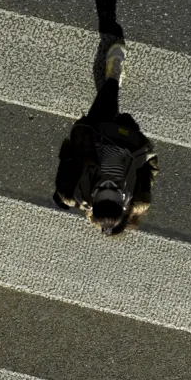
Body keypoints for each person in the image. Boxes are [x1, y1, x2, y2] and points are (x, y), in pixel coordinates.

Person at [54, 41, 158, 236]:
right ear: (123, 205)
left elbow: (66, 159)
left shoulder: (72, 193)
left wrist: (80, 151)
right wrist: (143, 150)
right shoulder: (138, 200)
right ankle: (112, 81)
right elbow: (149, 170)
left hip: (95, 133)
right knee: (112, 109)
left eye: (102, 194)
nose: (108, 186)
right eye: (114, 195)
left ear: (94, 202)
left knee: (106, 103)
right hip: (129, 139)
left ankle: (113, 76)